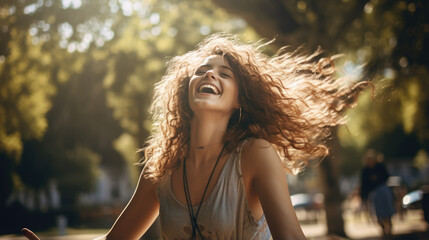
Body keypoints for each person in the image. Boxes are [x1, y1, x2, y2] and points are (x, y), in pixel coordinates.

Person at [23, 33, 369, 240]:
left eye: (225, 73)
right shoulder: (161, 165)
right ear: (185, 91)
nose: (209, 74)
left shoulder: (254, 154)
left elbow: (291, 237)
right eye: (202, 70)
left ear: (239, 102)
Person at [360, 149, 395, 240]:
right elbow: (364, 185)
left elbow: (387, 176)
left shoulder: (380, 167)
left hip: (383, 189)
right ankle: (383, 229)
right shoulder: (365, 171)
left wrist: (378, 178)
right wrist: (364, 198)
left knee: (388, 210)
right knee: (378, 213)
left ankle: (390, 229)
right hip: (374, 193)